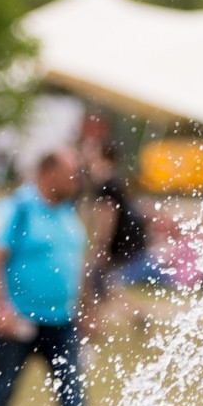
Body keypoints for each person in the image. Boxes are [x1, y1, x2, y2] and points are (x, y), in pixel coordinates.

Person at [0, 149, 91, 406]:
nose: (76, 180)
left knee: (73, 391)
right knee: (4, 388)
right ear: (48, 173)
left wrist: (85, 310)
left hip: (62, 321)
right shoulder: (15, 209)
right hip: (19, 320)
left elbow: (75, 266)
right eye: (71, 174)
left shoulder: (70, 213)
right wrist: (1, 308)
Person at [81, 141, 149, 341]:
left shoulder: (105, 183)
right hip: (128, 238)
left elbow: (107, 213)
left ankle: (94, 326)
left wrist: (101, 246)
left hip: (120, 241)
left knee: (97, 282)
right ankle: (136, 314)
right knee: (103, 284)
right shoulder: (113, 181)